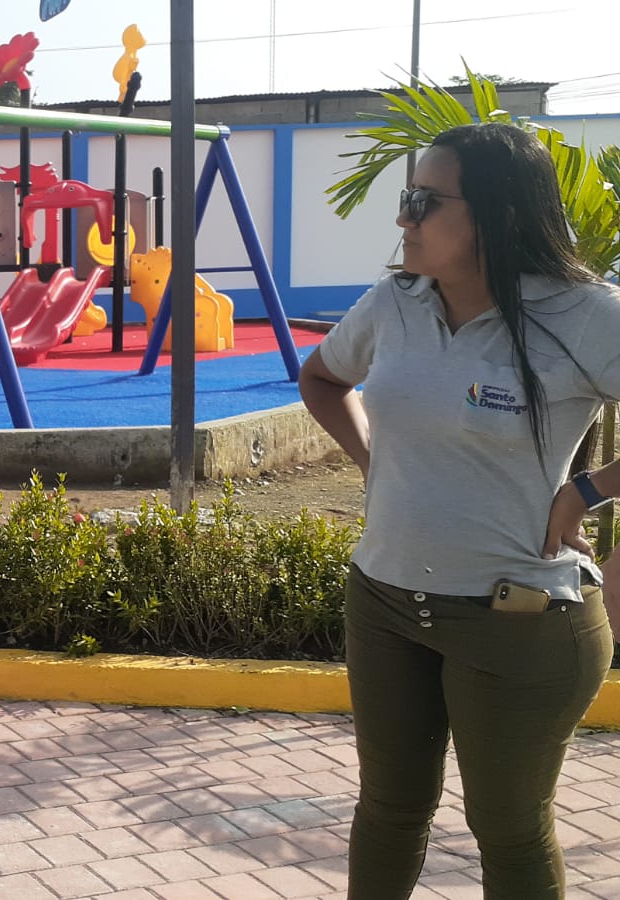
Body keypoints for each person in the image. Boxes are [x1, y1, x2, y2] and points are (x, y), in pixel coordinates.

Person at [298, 122, 618, 898]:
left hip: (519, 620)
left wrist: (587, 490)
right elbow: (322, 378)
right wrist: (374, 460)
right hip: (384, 602)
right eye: (406, 198)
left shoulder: (582, 313)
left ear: (498, 214)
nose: (402, 217)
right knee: (388, 812)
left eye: (423, 201)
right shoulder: (395, 303)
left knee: (508, 831)